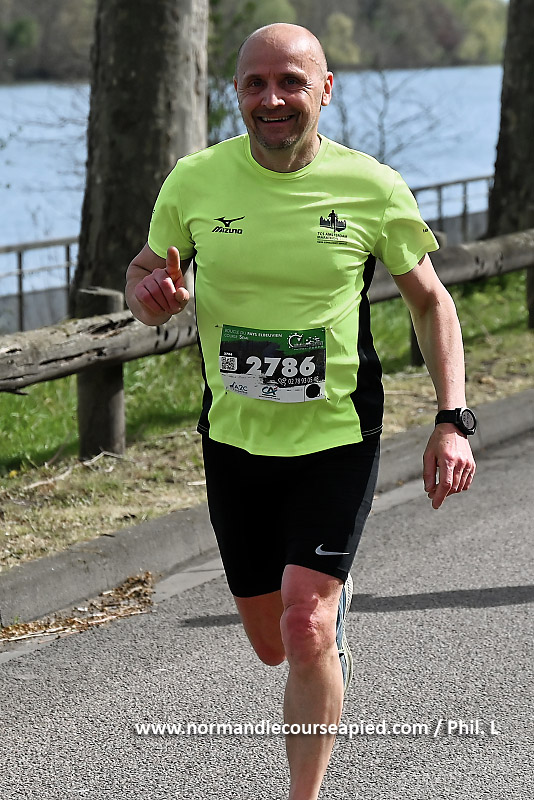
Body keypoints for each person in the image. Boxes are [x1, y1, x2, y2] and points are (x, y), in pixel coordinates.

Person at [125, 23, 476, 800]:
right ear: (236, 93)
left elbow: (432, 303)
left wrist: (452, 419)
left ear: (325, 89)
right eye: (255, 83)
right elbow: (145, 277)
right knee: (269, 643)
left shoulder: (371, 187)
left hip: (336, 437)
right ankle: (318, 618)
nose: (272, 98)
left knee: (304, 624)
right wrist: (151, 296)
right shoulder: (195, 181)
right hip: (235, 440)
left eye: (290, 81)